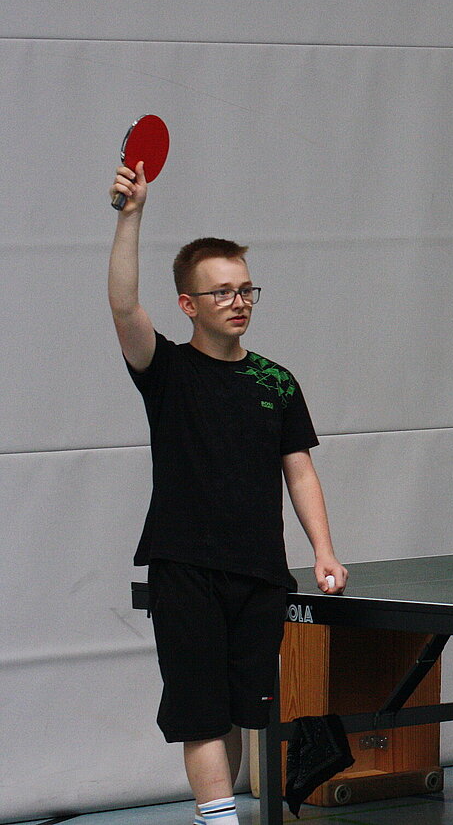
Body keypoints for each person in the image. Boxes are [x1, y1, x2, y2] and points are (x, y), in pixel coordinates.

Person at [109, 161, 349, 825]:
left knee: (246, 712)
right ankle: (220, 821)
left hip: (260, 573)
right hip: (186, 568)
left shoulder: (276, 381)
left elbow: (299, 470)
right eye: (221, 292)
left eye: (246, 290)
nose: (238, 301)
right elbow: (124, 306)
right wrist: (132, 216)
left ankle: (226, 811)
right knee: (201, 713)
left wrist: (324, 551)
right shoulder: (165, 370)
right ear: (189, 305)